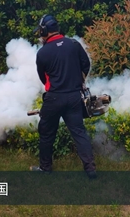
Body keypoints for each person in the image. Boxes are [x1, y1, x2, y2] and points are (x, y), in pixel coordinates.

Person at [31, 14, 97, 179]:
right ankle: (90, 169)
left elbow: (43, 78)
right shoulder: (74, 44)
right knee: (79, 133)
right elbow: (86, 65)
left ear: (45, 31)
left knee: (46, 133)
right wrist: (80, 81)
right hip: (74, 97)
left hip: (53, 98)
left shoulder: (43, 53)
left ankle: (45, 168)